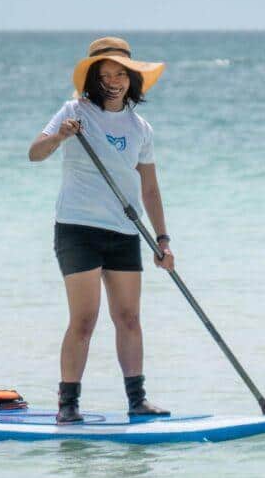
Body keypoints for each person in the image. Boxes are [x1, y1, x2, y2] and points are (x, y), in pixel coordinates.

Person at [29, 37, 173, 424]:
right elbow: (35, 153)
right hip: (77, 229)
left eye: (120, 74)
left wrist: (162, 240)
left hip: (125, 232)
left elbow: (151, 189)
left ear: (132, 79)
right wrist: (61, 136)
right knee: (85, 319)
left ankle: (137, 400)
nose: (113, 80)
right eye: (105, 74)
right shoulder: (74, 111)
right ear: (94, 78)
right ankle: (68, 405)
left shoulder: (140, 128)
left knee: (129, 318)